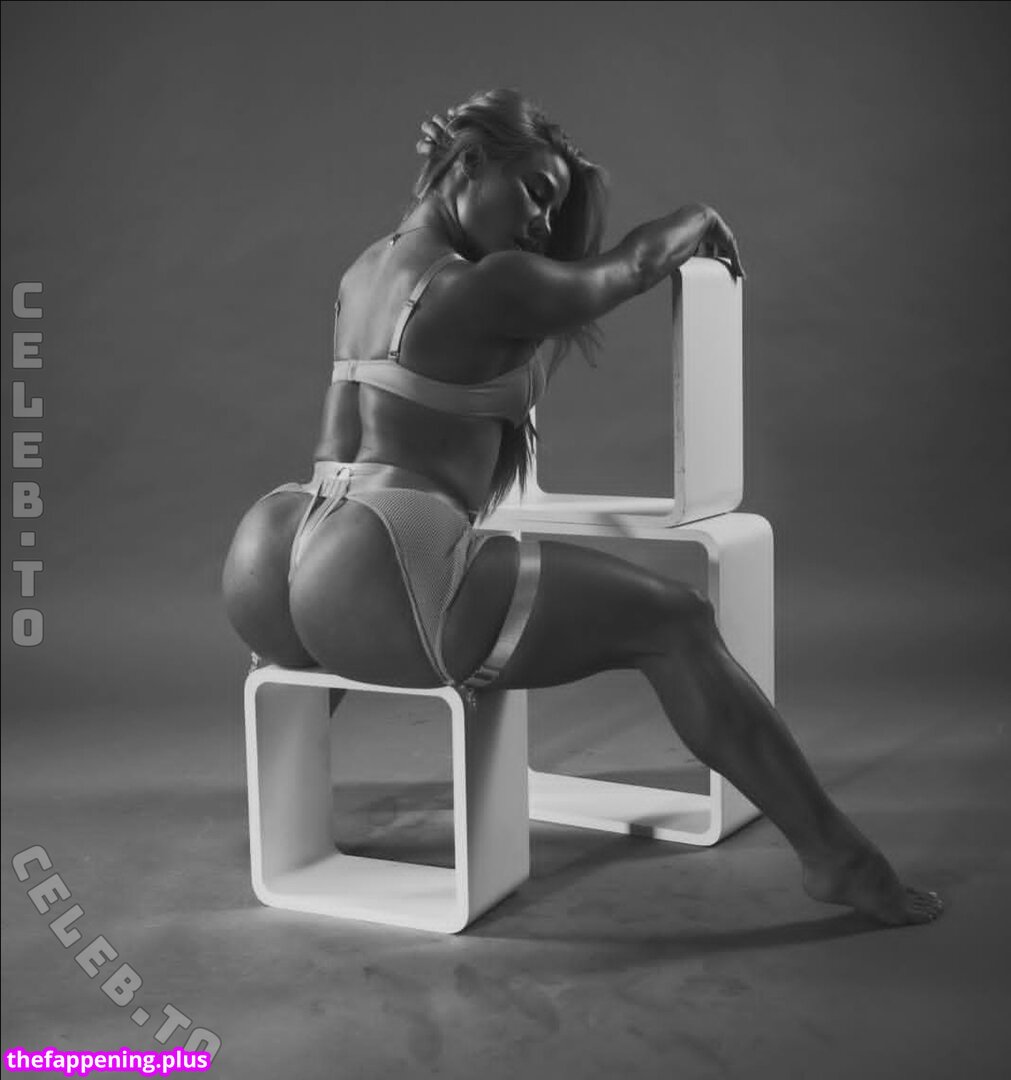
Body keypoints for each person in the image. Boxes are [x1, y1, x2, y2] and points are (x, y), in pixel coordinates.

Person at [222, 88, 943, 927]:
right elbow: (631, 269)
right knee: (676, 620)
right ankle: (836, 858)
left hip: (278, 546)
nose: (540, 222)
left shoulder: (362, 271)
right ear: (469, 163)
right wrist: (696, 217)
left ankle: (280, 839)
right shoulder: (492, 284)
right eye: (535, 192)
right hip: (382, 554)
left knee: (322, 646)